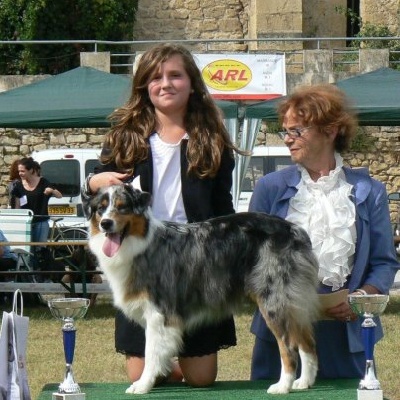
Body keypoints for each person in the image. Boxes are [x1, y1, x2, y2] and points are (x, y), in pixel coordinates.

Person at [81, 43, 246, 386]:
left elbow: (223, 207)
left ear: (191, 83)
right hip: (141, 255)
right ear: (144, 86)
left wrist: (232, 254)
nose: (165, 83)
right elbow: (97, 184)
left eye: (175, 75)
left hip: (196, 258)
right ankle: (160, 362)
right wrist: (94, 180)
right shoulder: (124, 136)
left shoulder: (212, 139)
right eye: (155, 77)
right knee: (143, 375)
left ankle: (176, 359)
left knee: (201, 379)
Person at [249, 84, 400, 380]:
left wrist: (360, 298)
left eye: (297, 131)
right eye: (285, 131)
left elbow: (384, 262)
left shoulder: (370, 191)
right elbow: (251, 260)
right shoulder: (269, 188)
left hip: (346, 334)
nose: (288, 140)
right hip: (281, 333)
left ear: (330, 131)